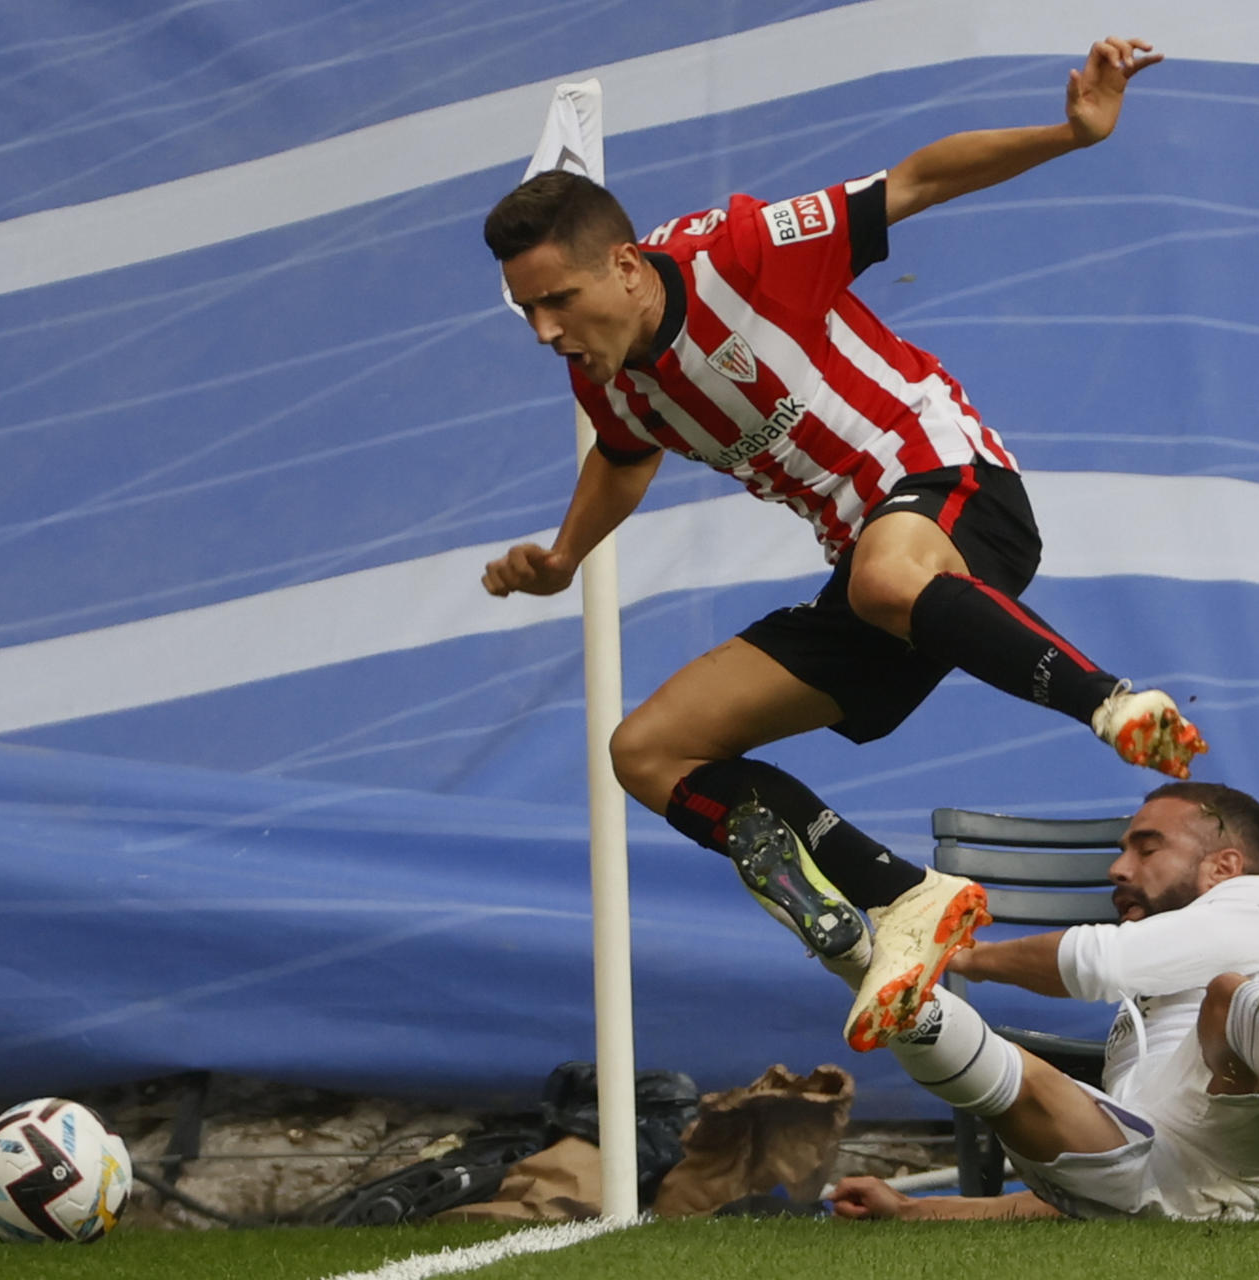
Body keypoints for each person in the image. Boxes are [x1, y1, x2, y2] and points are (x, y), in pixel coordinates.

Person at [481, 36, 1205, 1052]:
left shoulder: (743, 250)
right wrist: (561, 558)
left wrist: (1072, 132)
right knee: (648, 751)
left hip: (952, 483)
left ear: (628, 265)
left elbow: (913, 178)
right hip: (870, 572)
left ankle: (1113, 700)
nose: (546, 329)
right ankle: (909, 896)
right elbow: (625, 458)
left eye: (559, 300)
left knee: (882, 574)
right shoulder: (609, 373)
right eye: (527, 311)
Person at [828, 782, 1259, 1222]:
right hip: (1173, 1192)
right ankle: (863, 962)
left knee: (1225, 999)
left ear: (1225, 867)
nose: (1118, 869)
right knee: (1026, 1085)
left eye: (1148, 847)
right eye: (1122, 853)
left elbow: (1099, 962)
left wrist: (960, 957)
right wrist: (914, 1209)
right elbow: (1080, 1201)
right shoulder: (1135, 1017)